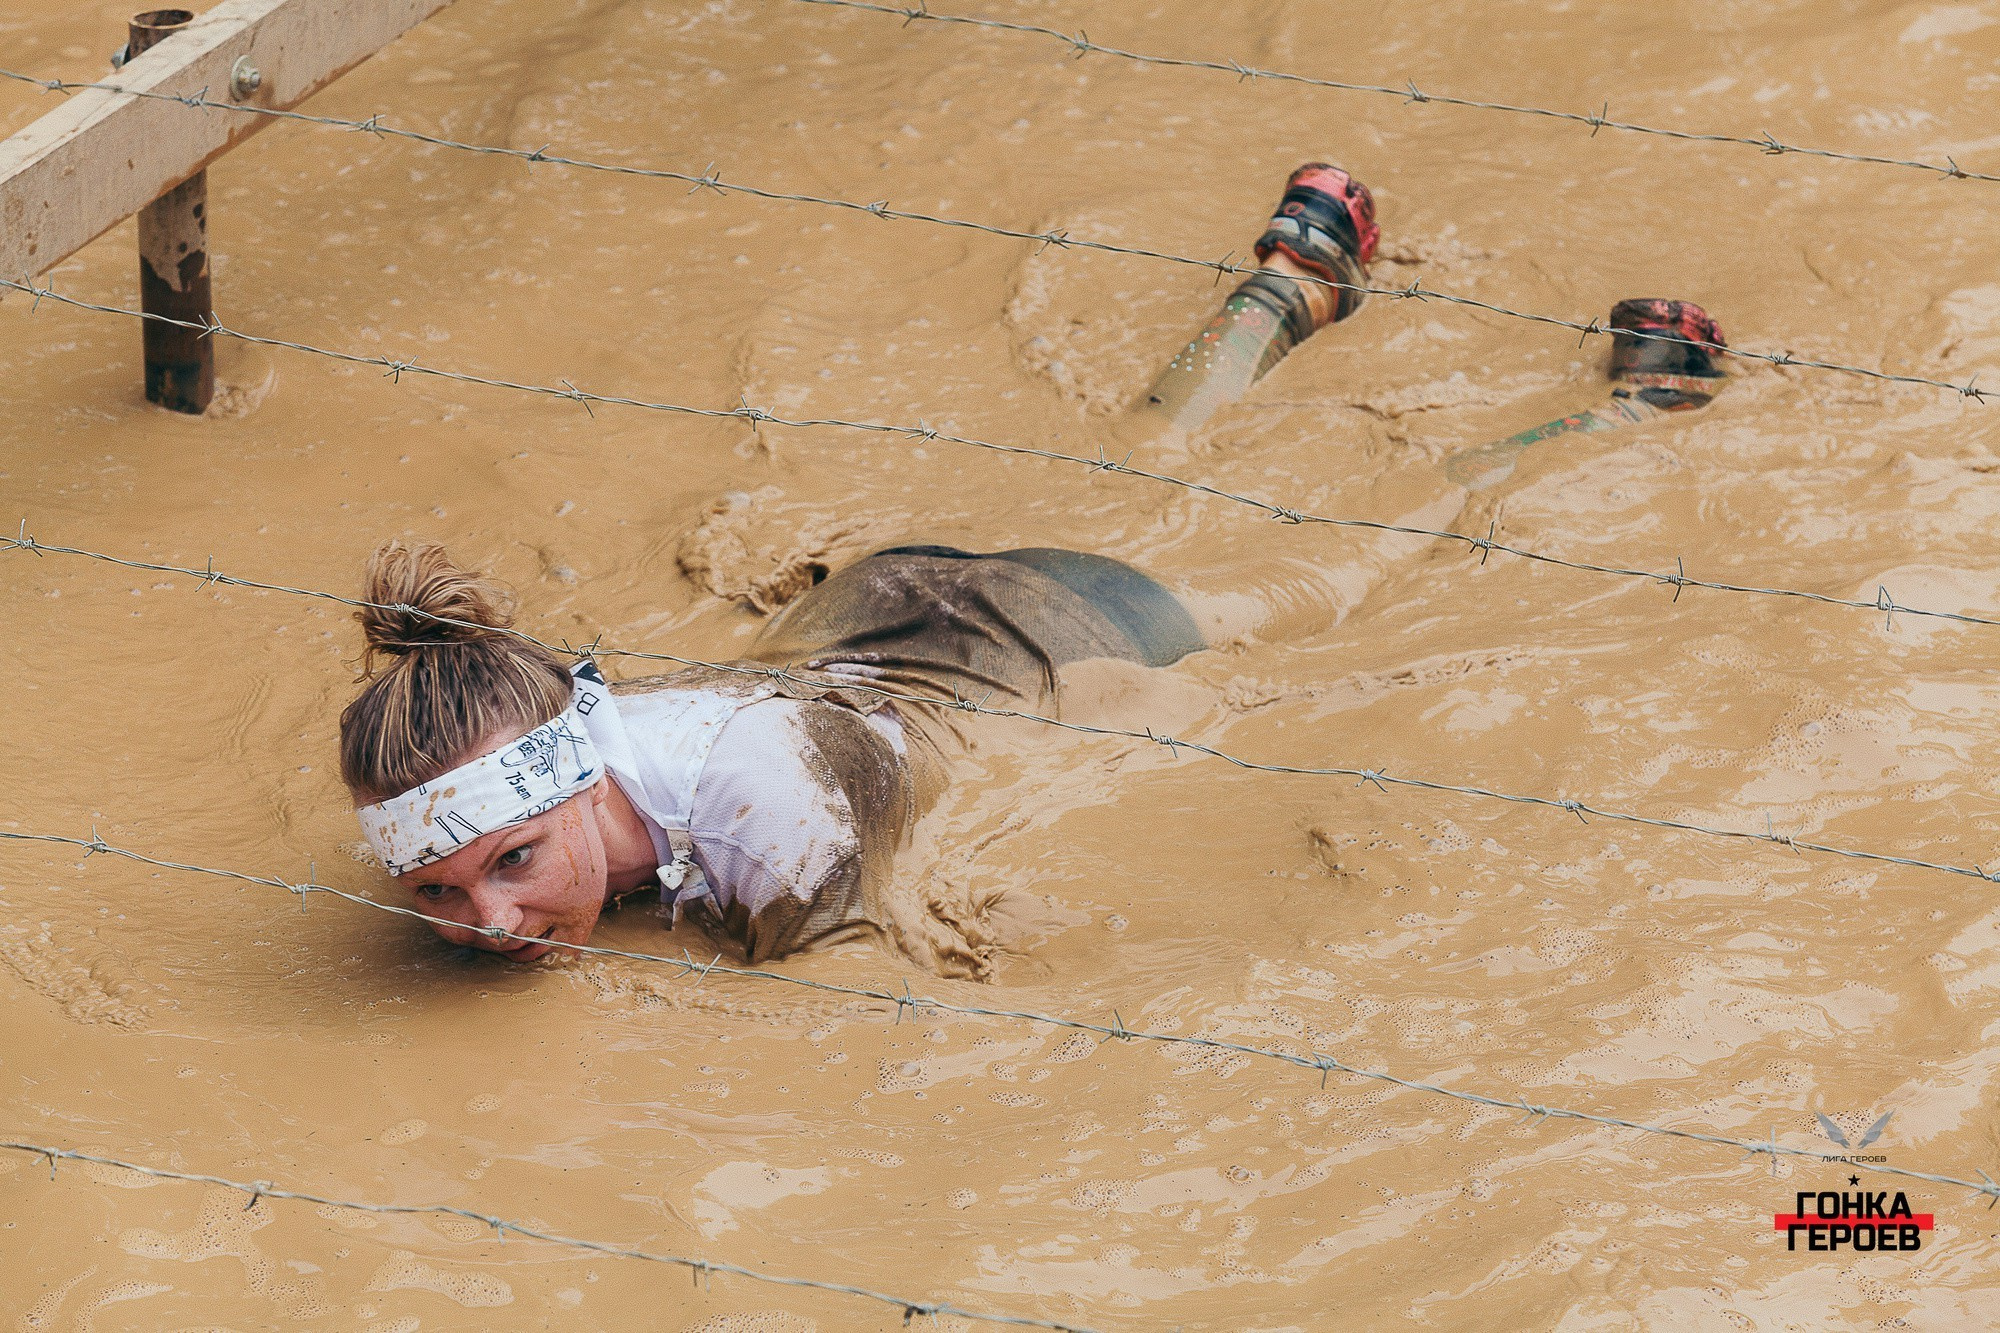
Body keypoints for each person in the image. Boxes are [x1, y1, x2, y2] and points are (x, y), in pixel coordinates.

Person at [340, 164, 1727, 971]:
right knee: (1152, 444)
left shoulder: (769, 838)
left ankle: (1621, 404)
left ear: (576, 777)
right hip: (861, 609)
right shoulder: (553, 738)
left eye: (514, 864)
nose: (493, 923)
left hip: (1046, 636)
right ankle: (1296, 275)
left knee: (1345, 581)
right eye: (441, 895)